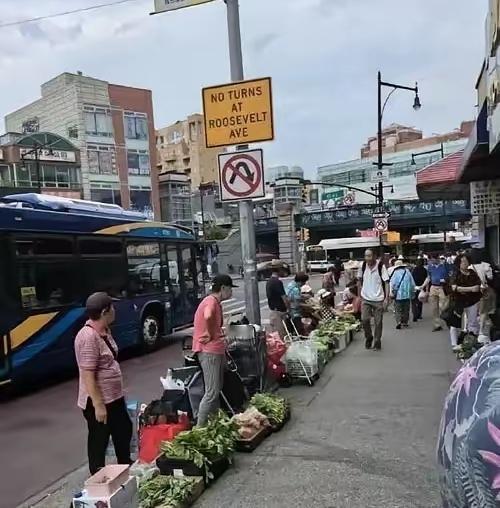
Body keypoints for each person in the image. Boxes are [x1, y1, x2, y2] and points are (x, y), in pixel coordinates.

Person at [75, 292, 132, 475]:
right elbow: (88, 374)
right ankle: (98, 477)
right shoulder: (88, 337)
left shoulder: (104, 331)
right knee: (99, 440)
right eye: (112, 307)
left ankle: (125, 467)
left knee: (123, 430)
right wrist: (98, 405)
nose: (115, 310)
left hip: (114, 397)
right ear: (104, 312)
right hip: (99, 401)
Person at [192, 274, 237, 426]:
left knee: (216, 390)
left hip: (215, 350)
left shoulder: (215, 302)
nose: (231, 292)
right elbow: (208, 315)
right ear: (223, 288)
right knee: (211, 392)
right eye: (230, 289)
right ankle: (199, 428)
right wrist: (211, 334)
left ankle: (215, 422)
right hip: (209, 351)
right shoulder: (211, 301)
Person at [357, 249, 390, 350]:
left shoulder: (380, 266)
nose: (367, 258)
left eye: (369, 256)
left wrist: (386, 298)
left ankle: (377, 341)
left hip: (378, 299)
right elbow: (359, 281)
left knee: (378, 322)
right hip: (365, 298)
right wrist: (359, 296)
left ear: (375, 256)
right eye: (366, 256)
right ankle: (369, 337)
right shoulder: (362, 266)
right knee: (364, 320)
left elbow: (386, 282)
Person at [447, 253, 481, 350]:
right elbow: (454, 288)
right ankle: (454, 344)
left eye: (466, 261)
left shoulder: (472, 273)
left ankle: (471, 342)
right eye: (462, 262)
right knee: (455, 323)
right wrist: (470, 289)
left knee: (472, 322)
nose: (464, 263)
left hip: (472, 301)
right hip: (458, 301)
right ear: (458, 263)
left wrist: (463, 289)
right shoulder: (455, 274)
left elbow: (477, 286)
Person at [470, 250, 495, 341]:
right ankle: (481, 330)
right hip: (483, 290)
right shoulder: (486, 266)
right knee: (483, 311)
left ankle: (471, 329)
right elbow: (490, 277)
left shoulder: (469, 267)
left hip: (472, 290)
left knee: (472, 310)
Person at [424, 253, 450, 332]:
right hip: (433, 287)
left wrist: (446, 280)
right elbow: (428, 277)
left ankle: (448, 319)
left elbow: (449, 275)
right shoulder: (430, 267)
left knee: (443, 306)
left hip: (442, 287)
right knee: (434, 307)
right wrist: (424, 287)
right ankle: (437, 324)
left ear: (438, 258)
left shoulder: (444, 266)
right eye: (432, 259)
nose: (432, 261)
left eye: (434, 259)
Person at [390, 259, 416, 329]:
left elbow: (392, 283)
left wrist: (391, 292)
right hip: (407, 294)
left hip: (398, 295)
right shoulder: (407, 272)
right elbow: (412, 283)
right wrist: (413, 291)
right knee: (406, 309)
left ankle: (398, 321)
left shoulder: (395, 273)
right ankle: (405, 322)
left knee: (398, 309)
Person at [266, 269, 289, 339]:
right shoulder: (277, 282)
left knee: (275, 331)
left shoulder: (269, 281)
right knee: (280, 332)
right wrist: (288, 307)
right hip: (279, 310)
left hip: (273, 309)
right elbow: (283, 296)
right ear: (278, 271)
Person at [411, 257, 428, 322]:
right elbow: (426, 279)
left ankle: (415, 314)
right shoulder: (424, 270)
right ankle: (419, 314)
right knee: (420, 301)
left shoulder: (414, 270)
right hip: (422, 287)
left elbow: (412, 278)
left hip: (415, 287)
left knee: (414, 301)